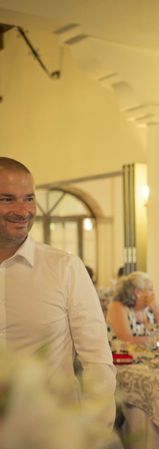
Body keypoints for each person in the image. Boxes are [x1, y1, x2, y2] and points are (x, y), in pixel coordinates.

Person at [0, 157, 116, 428]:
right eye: (6, 199)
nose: (22, 210)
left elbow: (97, 360)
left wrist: (95, 435)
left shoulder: (65, 268)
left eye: (29, 198)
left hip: (51, 435)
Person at [106, 270, 159, 346]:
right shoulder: (118, 307)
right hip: (121, 355)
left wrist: (156, 307)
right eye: (150, 289)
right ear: (138, 292)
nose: (153, 293)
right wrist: (156, 339)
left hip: (146, 356)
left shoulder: (148, 309)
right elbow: (127, 340)